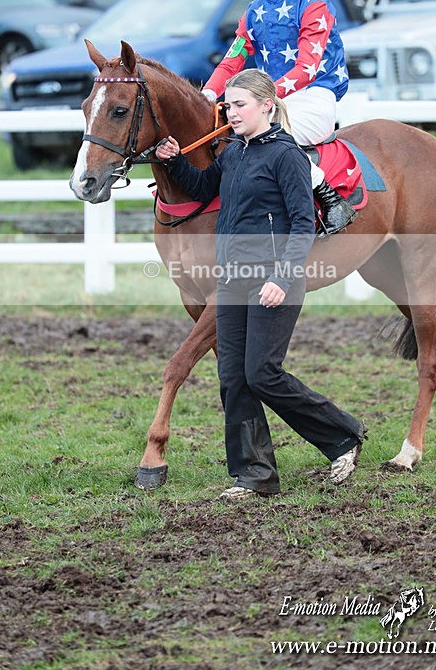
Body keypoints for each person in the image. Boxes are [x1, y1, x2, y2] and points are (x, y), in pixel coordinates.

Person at [156, 69, 365, 499]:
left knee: (263, 374)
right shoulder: (233, 152)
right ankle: (254, 475)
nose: (230, 114)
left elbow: (304, 223)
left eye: (239, 106)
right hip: (233, 279)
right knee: (233, 377)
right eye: (228, 106)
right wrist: (174, 159)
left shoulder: (286, 156)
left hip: (275, 279)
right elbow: (200, 186)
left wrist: (282, 277)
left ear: (266, 106)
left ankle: (344, 434)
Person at [201, 0, 357, 237]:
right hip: (270, 99)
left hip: (314, 96)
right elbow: (232, 62)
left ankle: (330, 200)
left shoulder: (312, 2)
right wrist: (205, 95)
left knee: (268, 134)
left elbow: (307, 68)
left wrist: (260, 98)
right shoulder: (255, 9)